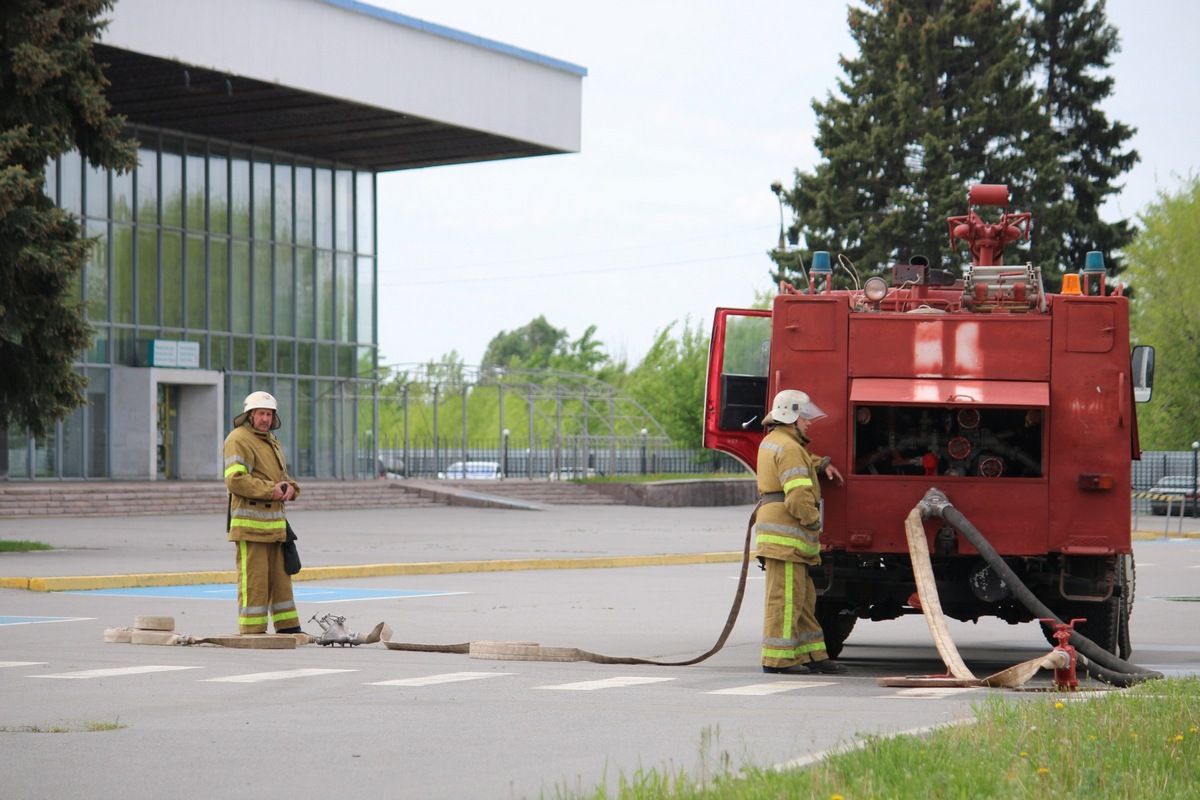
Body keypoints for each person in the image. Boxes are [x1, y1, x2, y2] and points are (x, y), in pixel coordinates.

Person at [755, 389, 846, 674]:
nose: (808, 423)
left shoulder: (776, 441)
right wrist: (813, 520)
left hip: (782, 537)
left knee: (803, 599)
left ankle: (813, 654)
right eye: (804, 418)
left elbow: (800, 460)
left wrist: (821, 465)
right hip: (788, 536)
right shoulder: (790, 447)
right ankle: (778, 660)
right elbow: (797, 496)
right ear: (792, 418)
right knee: (785, 599)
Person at [223, 391, 303, 634]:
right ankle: (252, 631)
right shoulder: (239, 439)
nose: (265, 419)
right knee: (254, 582)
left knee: (281, 580)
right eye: (261, 414)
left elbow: (280, 478)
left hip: (275, 527)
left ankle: (288, 627)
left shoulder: (271, 440)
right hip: (251, 526)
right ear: (250, 415)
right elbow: (235, 480)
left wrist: (291, 488)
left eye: (269, 414)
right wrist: (272, 491)